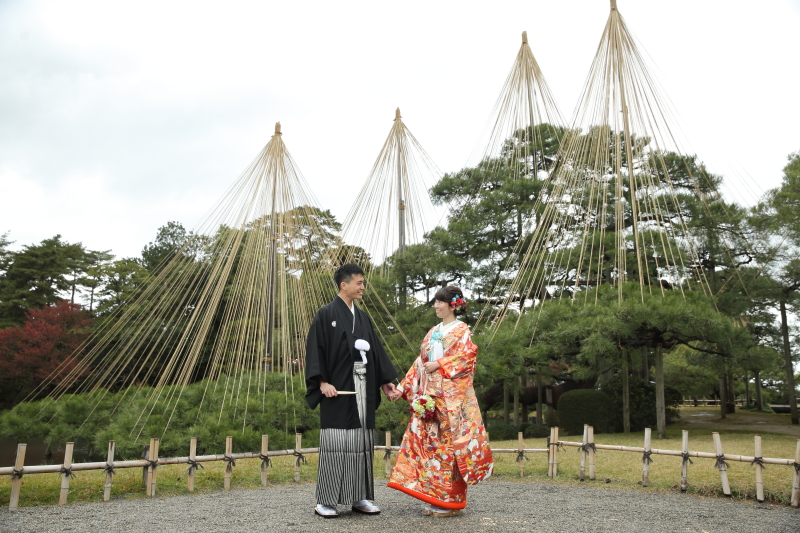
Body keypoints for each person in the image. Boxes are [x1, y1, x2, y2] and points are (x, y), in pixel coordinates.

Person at [387, 286, 493, 517]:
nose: (436, 306)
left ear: (453, 305)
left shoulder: (462, 330)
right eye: (435, 302)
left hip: (452, 399)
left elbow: (468, 358)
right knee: (432, 448)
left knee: (450, 448)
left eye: (440, 302)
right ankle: (435, 496)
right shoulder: (433, 331)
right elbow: (420, 363)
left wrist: (441, 364)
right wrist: (402, 387)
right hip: (430, 397)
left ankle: (451, 501)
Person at [305, 263, 399, 518]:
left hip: (364, 386)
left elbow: (375, 350)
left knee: (361, 443)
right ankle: (326, 500)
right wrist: (322, 382)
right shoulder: (325, 314)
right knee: (336, 442)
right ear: (343, 285)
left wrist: (384, 380)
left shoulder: (363, 317)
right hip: (336, 388)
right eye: (359, 283)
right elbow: (316, 350)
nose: (362, 287)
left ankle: (359, 497)